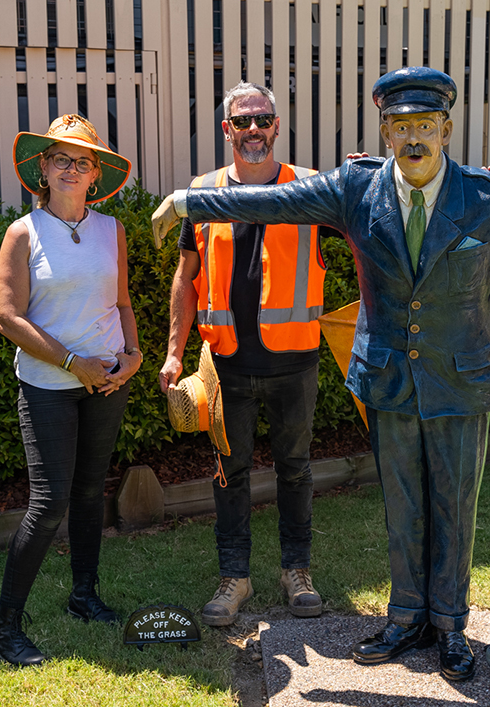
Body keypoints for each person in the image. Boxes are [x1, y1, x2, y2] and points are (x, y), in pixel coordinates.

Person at [152, 67, 490, 681]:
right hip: (387, 377)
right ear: (384, 130)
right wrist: (192, 200)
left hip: (460, 375)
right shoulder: (357, 189)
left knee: (454, 505)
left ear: (447, 128)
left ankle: (451, 625)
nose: (413, 139)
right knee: (402, 504)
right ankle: (407, 618)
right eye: (400, 126)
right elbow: (271, 200)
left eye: (424, 126)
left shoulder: (486, 196)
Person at [157, 82, 325, 627]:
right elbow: (186, 277)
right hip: (224, 364)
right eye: (242, 122)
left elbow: (375, 227)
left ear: (277, 126)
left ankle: (296, 571)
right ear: (226, 129)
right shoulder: (201, 193)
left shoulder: (311, 188)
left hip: (294, 362)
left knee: (295, 470)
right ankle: (236, 577)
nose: (253, 130)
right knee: (229, 473)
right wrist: (173, 354)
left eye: (262, 120)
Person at [0, 114, 141, 666]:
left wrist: (133, 354)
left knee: (87, 493)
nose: (72, 168)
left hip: (106, 384)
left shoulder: (111, 230)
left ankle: (84, 595)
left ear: (96, 172)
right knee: (49, 502)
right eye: (61, 159)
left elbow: (122, 302)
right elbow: (9, 318)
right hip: (49, 386)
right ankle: (6, 628)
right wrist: (75, 362)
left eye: (82, 160)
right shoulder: (24, 232)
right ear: (43, 169)